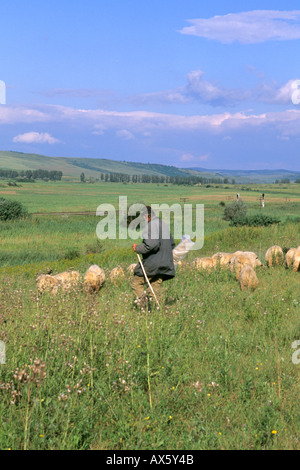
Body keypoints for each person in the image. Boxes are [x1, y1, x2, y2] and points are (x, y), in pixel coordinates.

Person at [130, 205, 175, 308]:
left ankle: (145, 307)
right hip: (165, 263)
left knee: (135, 283)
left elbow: (152, 244)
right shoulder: (163, 224)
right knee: (154, 288)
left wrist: (138, 248)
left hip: (153, 264)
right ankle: (157, 310)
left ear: (147, 216)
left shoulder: (150, 226)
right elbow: (172, 244)